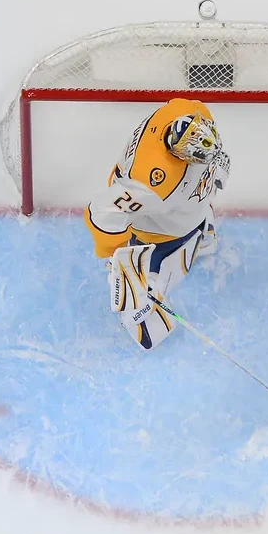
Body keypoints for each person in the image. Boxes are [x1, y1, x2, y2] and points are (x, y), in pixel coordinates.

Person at [86, 99, 230, 349]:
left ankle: (201, 235)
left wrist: (215, 164)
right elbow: (102, 213)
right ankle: (139, 311)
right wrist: (118, 260)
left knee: (200, 224)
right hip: (158, 232)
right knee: (144, 300)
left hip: (191, 210)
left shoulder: (188, 111)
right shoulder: (150, 182)